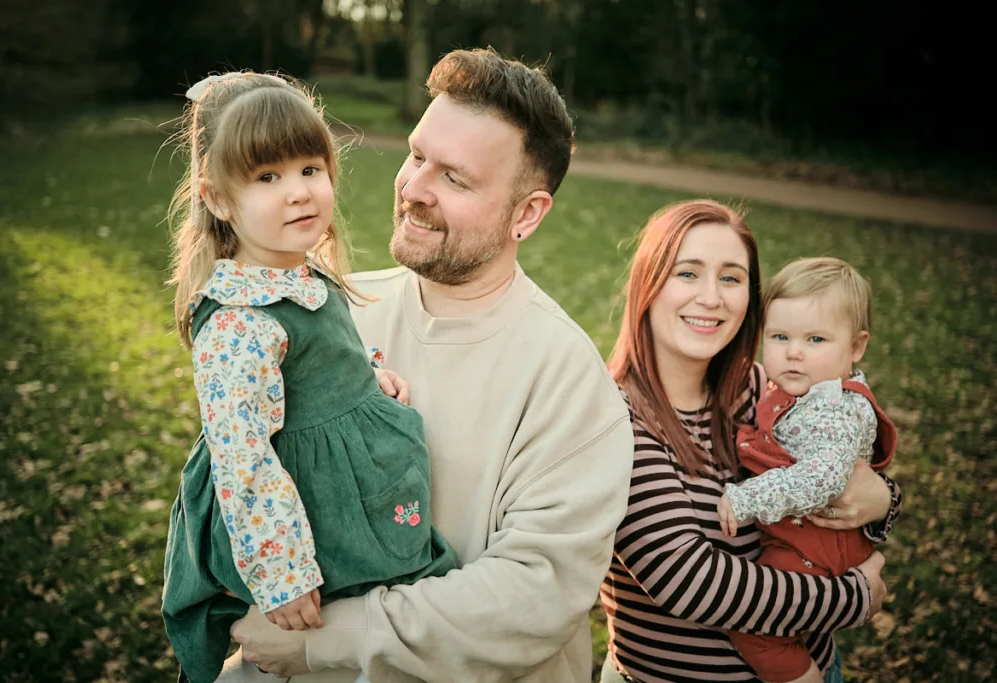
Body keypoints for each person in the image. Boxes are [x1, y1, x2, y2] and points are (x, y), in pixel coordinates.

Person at [219, 48, 635, 683]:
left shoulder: (568, 382)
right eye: (416, 156)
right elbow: (246, 485)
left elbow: (529, 600)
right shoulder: (331, 311)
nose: (412, 189)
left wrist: (325, 641)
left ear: (527, 214)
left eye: (455, 179)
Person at [160, 71, 460, 683]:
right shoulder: (240, 321)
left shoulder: (297, 270)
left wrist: (363, 381)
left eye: (308, 169)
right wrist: (283, 572)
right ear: (218, 199)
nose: (297, 192)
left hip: (344, 475)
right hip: (294, 515)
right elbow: (243, 457)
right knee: (353, 619)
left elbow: (310, 370)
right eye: (267, 178)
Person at [600, 200, 902, 683]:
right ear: (649, 284)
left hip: (820, 667)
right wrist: (852, 598)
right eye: (688, 273)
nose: (711, 298)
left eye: (731, 278)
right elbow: (690, 582)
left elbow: (841, 466)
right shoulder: (615, 419)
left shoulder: (764, 389)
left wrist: (884, 498)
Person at [717, 257, 897, 683]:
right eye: (780, 337)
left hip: (815, 546)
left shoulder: (833, 408)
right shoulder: (796, 393)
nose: (793, 352)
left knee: (756, 631)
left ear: (855, 347)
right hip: (802, 540)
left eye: (815, 339)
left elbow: (825, 478)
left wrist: (746, 498)